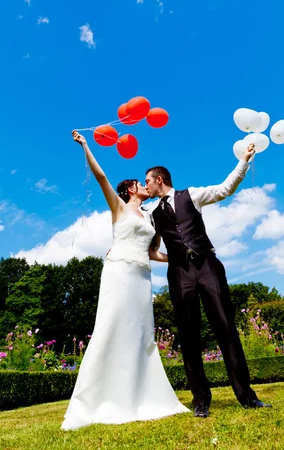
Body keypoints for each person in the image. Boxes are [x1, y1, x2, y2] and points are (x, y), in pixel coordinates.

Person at [61, 131, 189, 430]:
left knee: (141, 335)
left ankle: (141, 395)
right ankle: (91, 401)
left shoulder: (150, 216)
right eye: (139, 184)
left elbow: (153, 251)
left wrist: (179, 258)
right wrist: (85, 145)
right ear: (130, 190)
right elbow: (101, 176)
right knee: (110, 327)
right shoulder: (118, 208)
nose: (145, 186)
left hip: (142, 277)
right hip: (119, 272)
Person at [144, 143, 271, 418]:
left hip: (208, 266)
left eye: (148, 181)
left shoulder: (192, 195)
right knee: (189, 336)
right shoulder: (153, 216)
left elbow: (225, 188)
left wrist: (245, 161)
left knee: (226, 327)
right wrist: (174, 258)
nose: (146, 186)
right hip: (180, 275)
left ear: (160, 180)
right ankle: (200, 401)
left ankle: (247, 397)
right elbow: (151, 250)